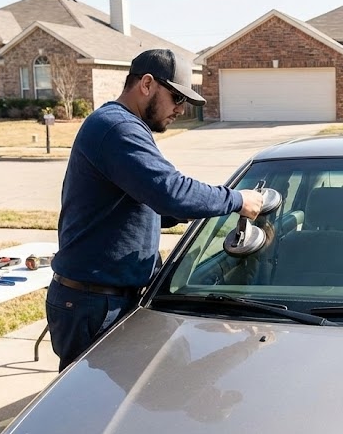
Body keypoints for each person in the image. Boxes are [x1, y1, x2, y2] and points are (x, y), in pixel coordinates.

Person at [46, 48, 264, 371]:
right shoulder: (116, 128)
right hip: (93, 304)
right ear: (147, 84)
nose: (180, 109)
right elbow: (170, 191)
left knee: (132, 405)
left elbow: (145, 205)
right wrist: (237, 200)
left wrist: (188, 210)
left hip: (107, 298)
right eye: (177, 98)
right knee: (89, 410)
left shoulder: (123, 127)